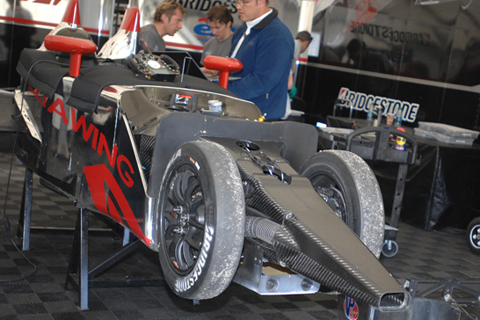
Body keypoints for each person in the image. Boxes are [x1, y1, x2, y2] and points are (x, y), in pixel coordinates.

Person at [228, 0, 294, 121]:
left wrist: (222, 88)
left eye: (244, 2)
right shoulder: (242, 30)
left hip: (260, 119)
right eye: (236, 2)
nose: (238, 7)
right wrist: (218, 73)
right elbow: (237, 68)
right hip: (237, 113)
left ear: (262, 2)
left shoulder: (276, 34)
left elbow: (263, 81)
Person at [288, 31, 312, 97]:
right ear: (307, 42)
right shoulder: (297, 45)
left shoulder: (292, 43)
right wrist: (291, 82)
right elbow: (288, 63)